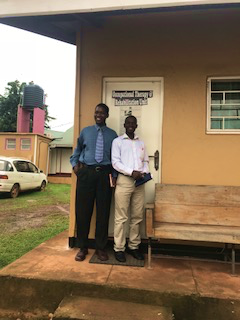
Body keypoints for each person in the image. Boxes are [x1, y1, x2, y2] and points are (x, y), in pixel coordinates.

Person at [70, 103, 117, 262]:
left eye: (102, 113)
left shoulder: (113, 135)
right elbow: (77, 151)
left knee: (103, 213)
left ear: (107, 115)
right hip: (86, 174)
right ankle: (82, 247)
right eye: (97, 112)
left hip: (104, 174)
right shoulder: (86, 132)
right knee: (83, 212)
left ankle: (100, 248)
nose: (99, 115)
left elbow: (115, 158)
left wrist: (114, 175)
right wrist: (75, 167)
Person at [111, 115, 149, 262]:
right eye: (128, 123)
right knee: (121, 217)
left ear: (136, 125)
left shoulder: (141, 143)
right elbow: (115, 162)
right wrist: (131, 172)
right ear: (125, 125)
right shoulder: (118, 142)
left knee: (137, 216)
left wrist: (143, 172)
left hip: (139, 183)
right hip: (124, 181)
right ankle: (119, 248)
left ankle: (134, 246)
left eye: (133, 123)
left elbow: (145, 161)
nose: (131, 125)